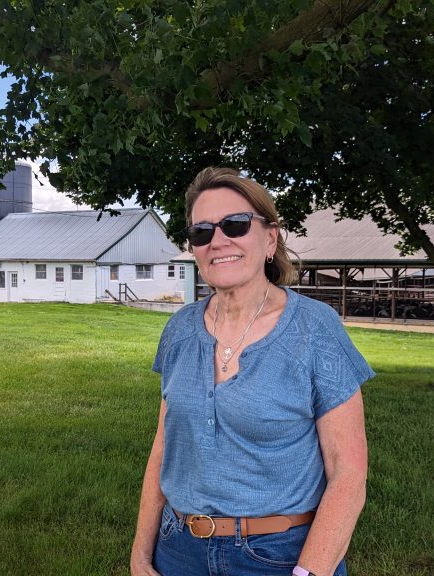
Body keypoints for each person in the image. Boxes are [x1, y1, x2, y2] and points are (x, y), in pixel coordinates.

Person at [130, 168, 374, 576]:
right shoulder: (178, 330)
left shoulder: (315, 329)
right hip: (177, 550)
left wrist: (308, 572)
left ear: (270, 238)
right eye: (202, 232)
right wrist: (140, 556)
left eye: (236, 225)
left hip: (279, 556)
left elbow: (348, 474)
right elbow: (163, 450)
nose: (218, 241)